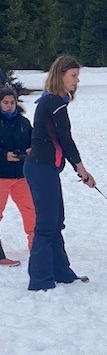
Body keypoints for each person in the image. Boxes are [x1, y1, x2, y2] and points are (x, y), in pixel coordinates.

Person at [24, 55, 96, 291]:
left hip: (47, 169)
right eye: (73, 75)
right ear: (60, 75)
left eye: (78, 76)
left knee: (56, 222)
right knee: (46, 224)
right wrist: (82, 169)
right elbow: (66, 140)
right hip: (40, 169)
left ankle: (61, 273)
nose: (77, 81)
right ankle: (40, 279)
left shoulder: (55, 102)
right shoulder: (54, 103)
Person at [0, 88, 35, 263]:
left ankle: (37, 247)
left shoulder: (24, 122)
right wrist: (3, 155)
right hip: (1, 176)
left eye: (12, 102)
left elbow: (35, 140)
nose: (9, 106)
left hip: (22, 175)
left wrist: (31, 149)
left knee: (31, 211)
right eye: (5, 102)